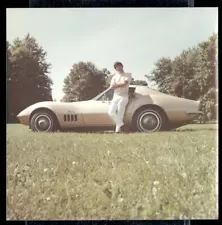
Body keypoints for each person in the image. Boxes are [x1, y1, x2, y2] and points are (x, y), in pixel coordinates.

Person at [108, 62, 132, 133]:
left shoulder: (128, 74)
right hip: (116, 96)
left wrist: (116, 85)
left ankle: (117, 131)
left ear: (122, 66)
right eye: (116, 67)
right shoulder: (114, 77)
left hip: (124, 95)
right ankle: (122, 125)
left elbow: (125, 84)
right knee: (111, 112)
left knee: (120, 112)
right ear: (115, 69)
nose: (118, 68)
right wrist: (119, 84)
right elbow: (111, 86)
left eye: (119, 66)